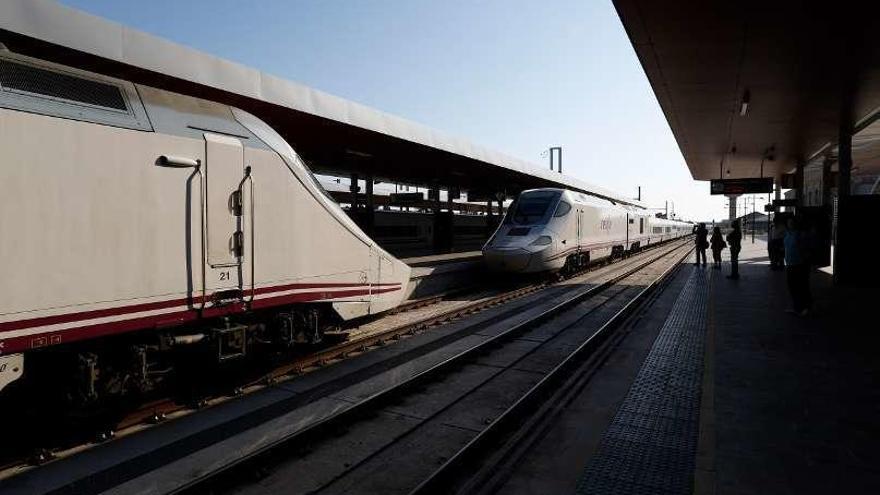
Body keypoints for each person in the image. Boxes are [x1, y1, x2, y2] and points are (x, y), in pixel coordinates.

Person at [784, 216, 812, 316]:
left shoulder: (800, 234)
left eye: (792, 222)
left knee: (801, 287)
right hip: (790, 264)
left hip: (800, 264)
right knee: (792, 287)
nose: (790, 224)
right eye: (788, 222)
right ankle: (797, 307)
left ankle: (805, 308)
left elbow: (806, 248)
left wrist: (805, 261)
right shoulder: (787, 234)